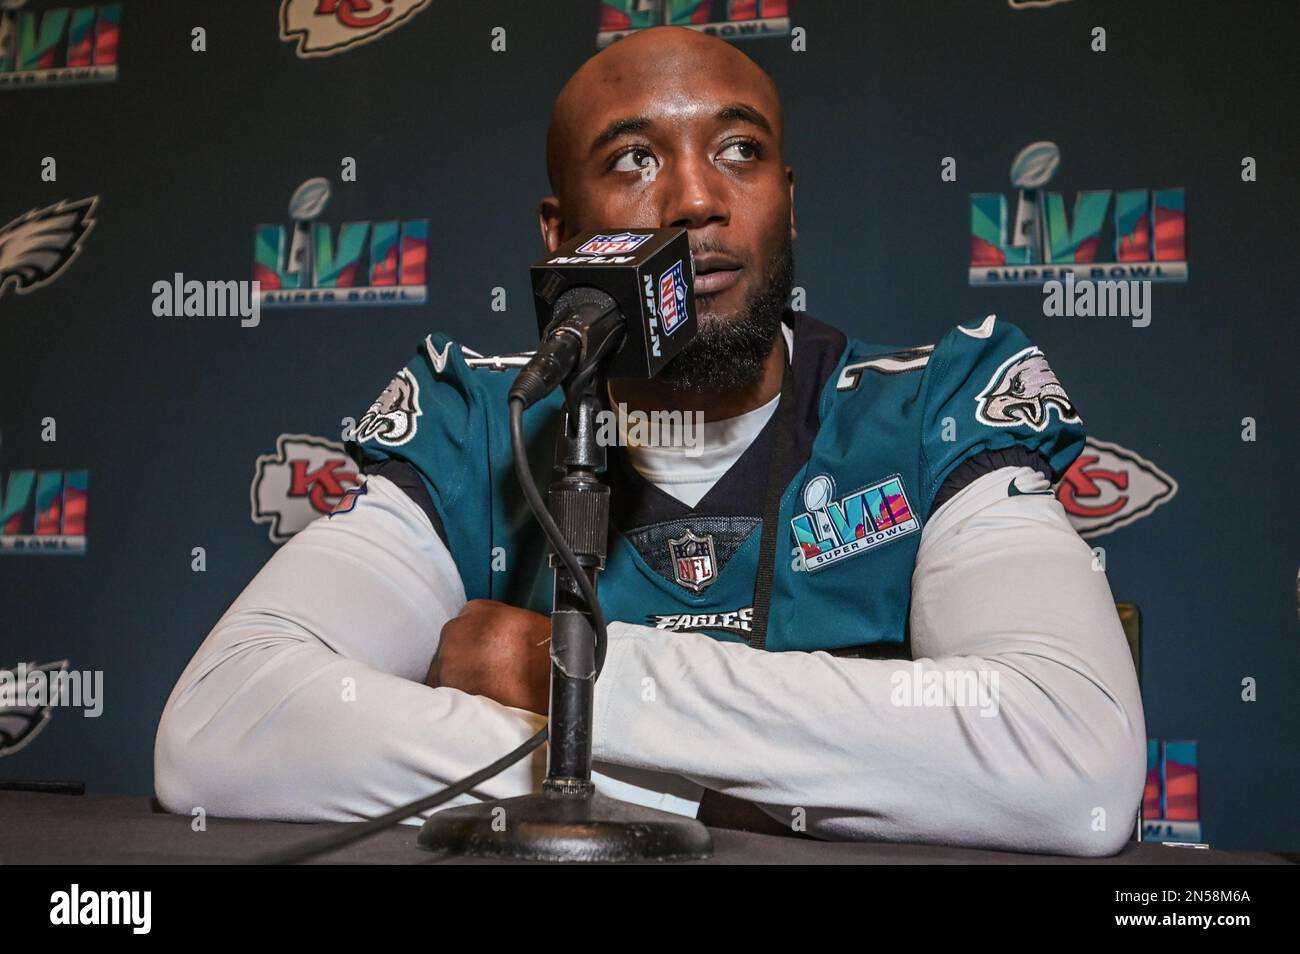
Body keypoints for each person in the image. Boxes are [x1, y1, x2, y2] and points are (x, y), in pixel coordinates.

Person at [155, 26, 1145, 855]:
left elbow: (1069, 763)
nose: (693, 202)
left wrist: (558, 671)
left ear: (788, 200)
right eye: (634, 160)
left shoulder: (931, 406)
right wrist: (750, 785)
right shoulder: (473, 419)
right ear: (558, 232)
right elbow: (221, 732)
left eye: (739, 152)